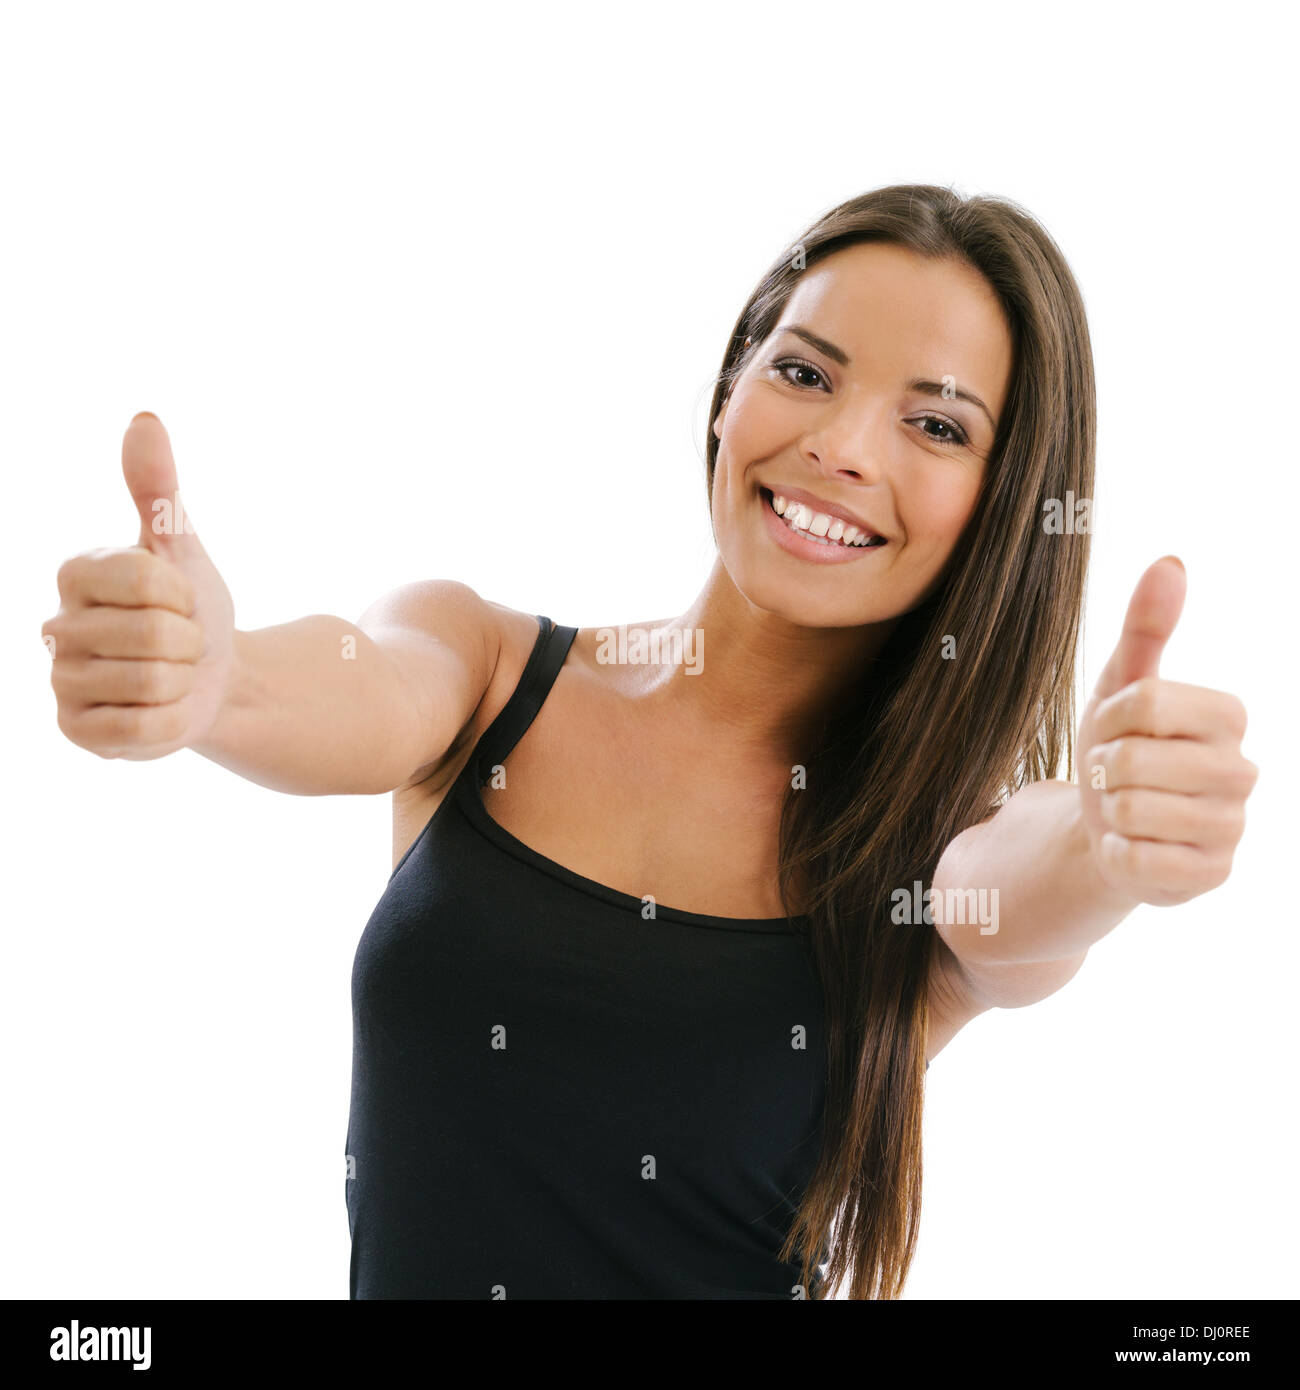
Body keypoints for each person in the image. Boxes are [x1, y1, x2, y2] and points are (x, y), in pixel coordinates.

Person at [42, 185, 1257, 1300]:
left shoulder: (934, 855)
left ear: (1001, 500)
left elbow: (1014, 885)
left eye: (935, 427)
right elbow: (352, 685)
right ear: (731, 392)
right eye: (805, 372)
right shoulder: (485, 670)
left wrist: (1104, 847)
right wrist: (216, 679)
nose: (843, 448)